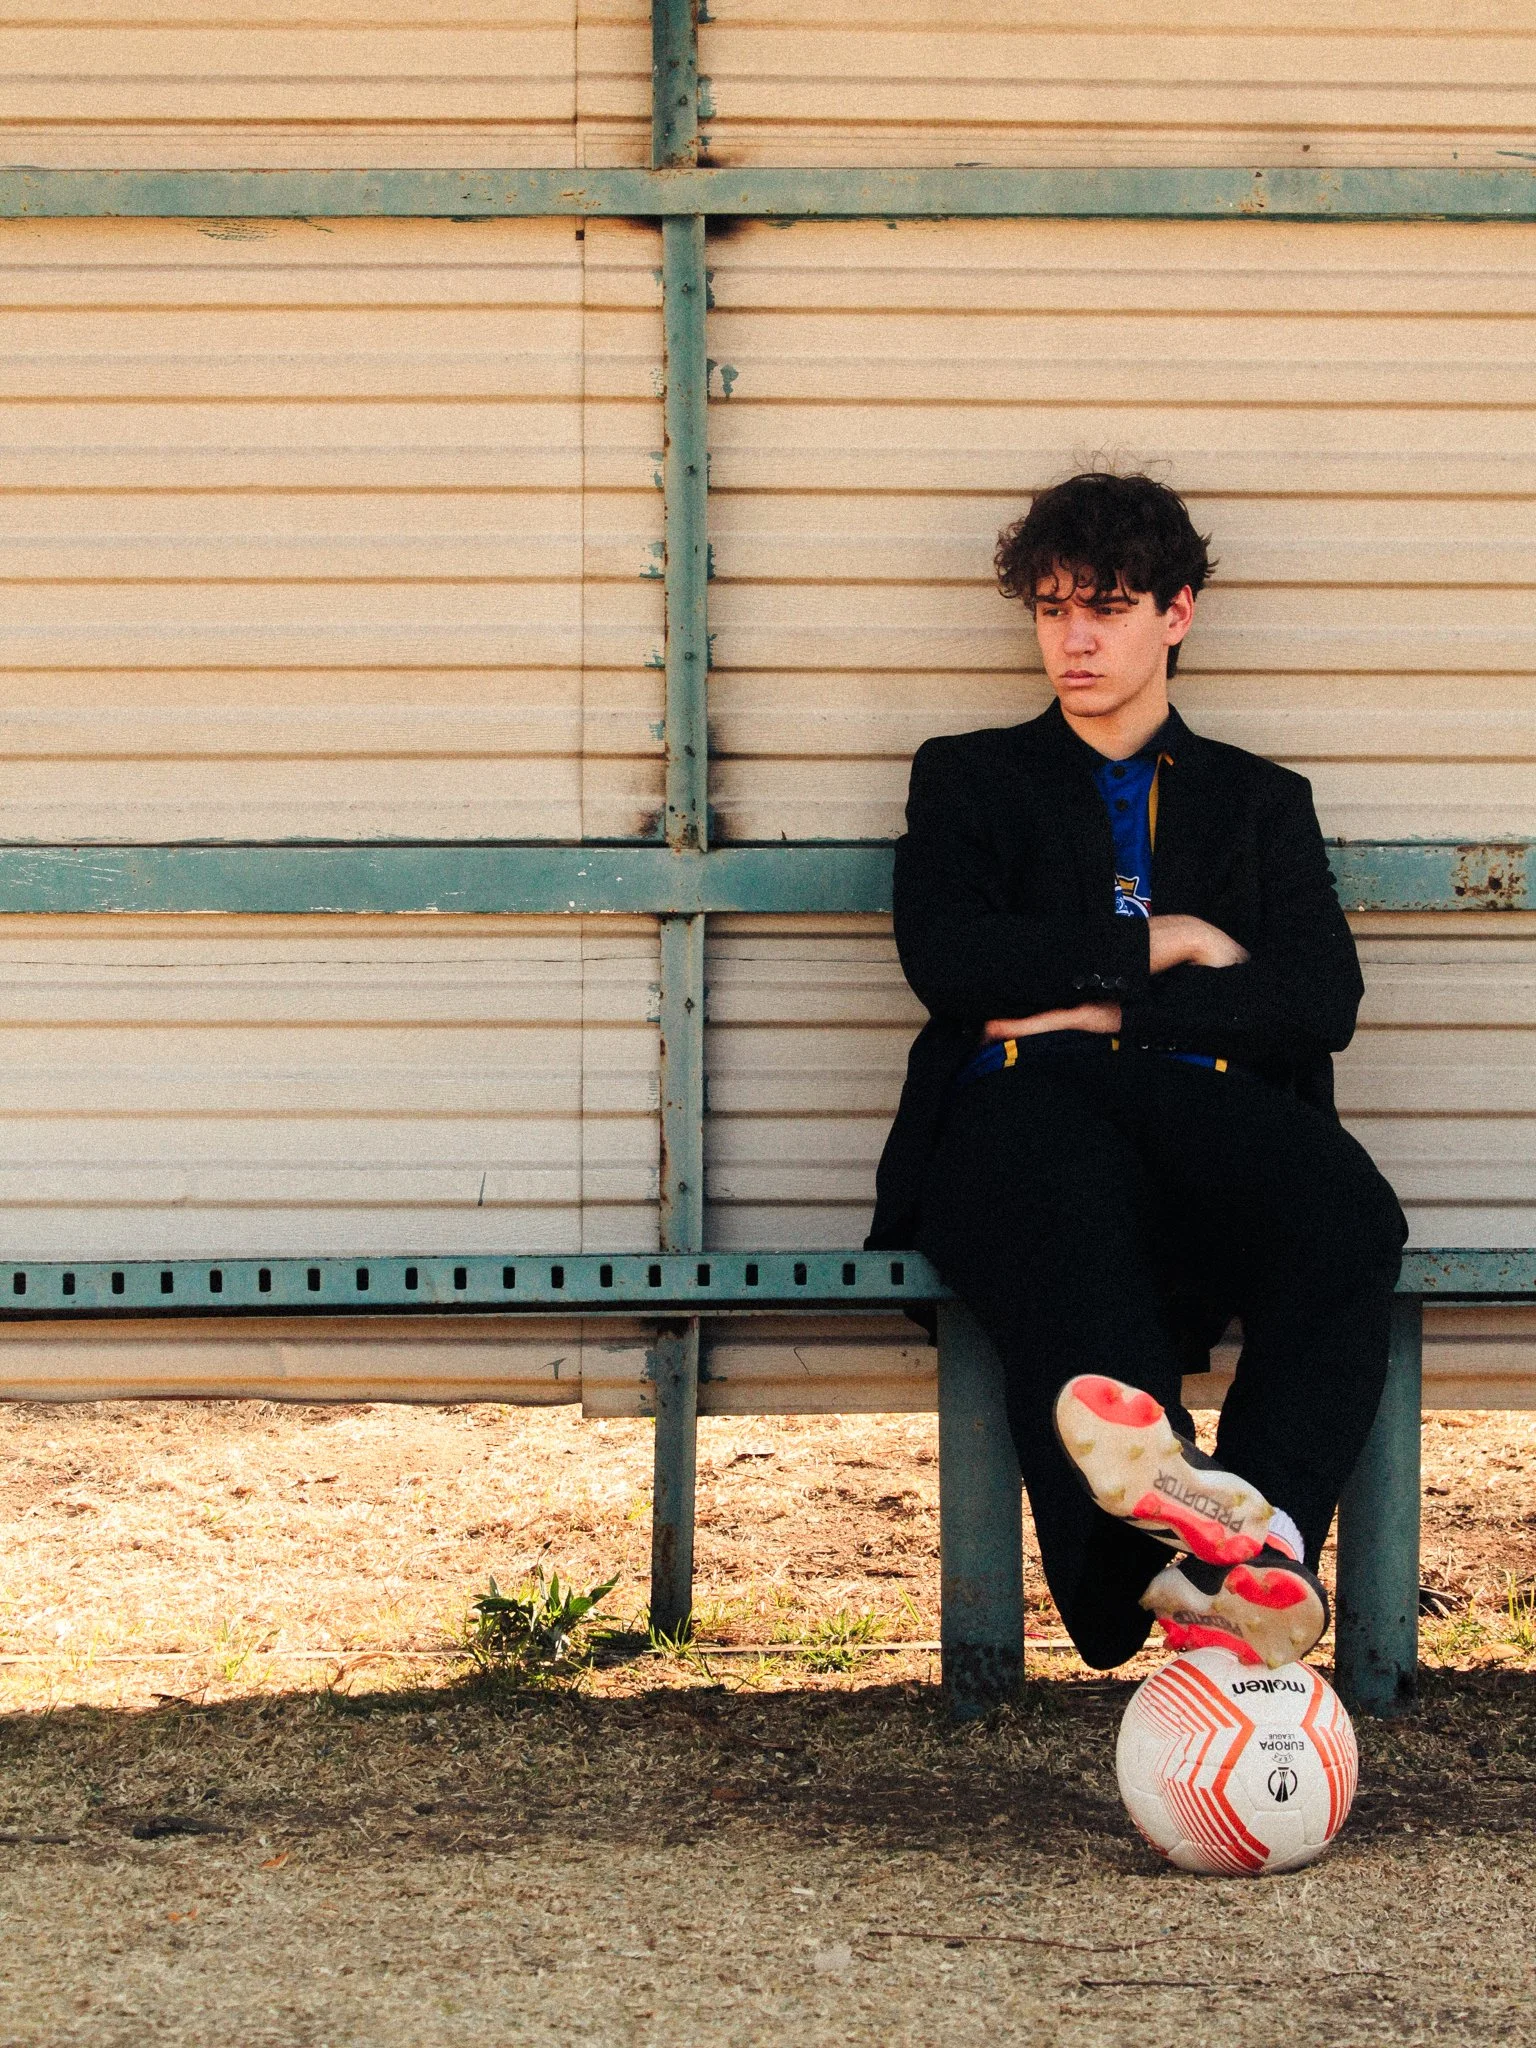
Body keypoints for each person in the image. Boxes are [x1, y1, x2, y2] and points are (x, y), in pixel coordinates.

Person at [867, 471, 1407, 1671]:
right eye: (1052, 608)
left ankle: (1248, 1547)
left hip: (1196, 1109)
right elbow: (949, 960)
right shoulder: (970, 779)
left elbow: (1321, 1000)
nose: (1075, 638)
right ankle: (1145, 1573)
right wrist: (1172, 943)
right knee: (1068, 1191)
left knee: (1352, 1212)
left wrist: (1088, 998)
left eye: (1106, 607)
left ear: (1177, 613)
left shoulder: (1261, 802)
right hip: (1022, 1111)